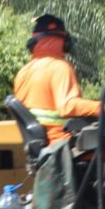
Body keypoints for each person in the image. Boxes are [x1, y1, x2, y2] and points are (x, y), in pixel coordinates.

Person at [13, 13, 101, 143]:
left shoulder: (23, 71)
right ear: (65, 42)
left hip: (39, 146)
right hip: (58, 142)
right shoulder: (60, 67)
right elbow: (67, 106)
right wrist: (99, 107)